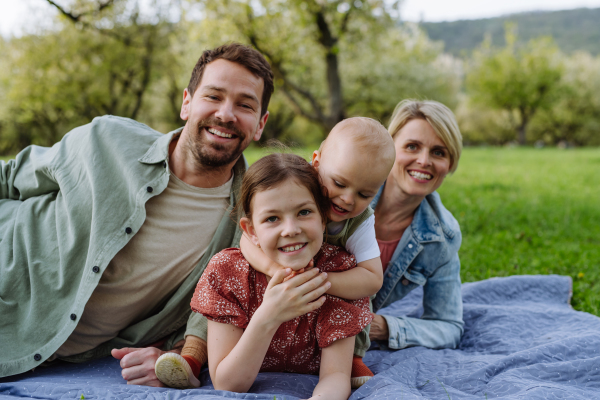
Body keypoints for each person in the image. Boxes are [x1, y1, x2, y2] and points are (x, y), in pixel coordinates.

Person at [0, 43, 273, 386]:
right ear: (187, 102)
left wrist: (182, 356)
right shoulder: (107, 139)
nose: (226, 114)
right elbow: (10, 179)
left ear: (260, 124)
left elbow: (215, 308)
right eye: (214, 96)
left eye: (244, 105)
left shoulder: (251, 221)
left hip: (52, 352)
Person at [154, 117, 396, 389]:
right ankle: (191, 354)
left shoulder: (357, 228)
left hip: (323, 287)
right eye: (339, 184)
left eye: (365, 194)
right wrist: (276, 272)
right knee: (212, 296)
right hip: (266, 280)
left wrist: (315, 281)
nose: (348, 199)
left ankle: (352, 358)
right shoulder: (290, 186)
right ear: (317, 164)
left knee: (356, 292)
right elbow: (247, 243)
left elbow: (372, 279)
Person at [195, 153, 373, 399]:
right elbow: (228, 384)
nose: (290, 230)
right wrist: (269, 315)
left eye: (304, 212)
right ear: (251, 230)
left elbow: (335, 377)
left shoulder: (340, 273)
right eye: (272, 218)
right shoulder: (227, 272)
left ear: (323, 218)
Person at [368, 99, 464, 351]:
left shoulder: (442, 237)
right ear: (388, 149)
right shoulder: (342, 198)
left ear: (450, 164)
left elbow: (449, 326)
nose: (424, 161)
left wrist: (385, 327)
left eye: (438, 152)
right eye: (412, 146)